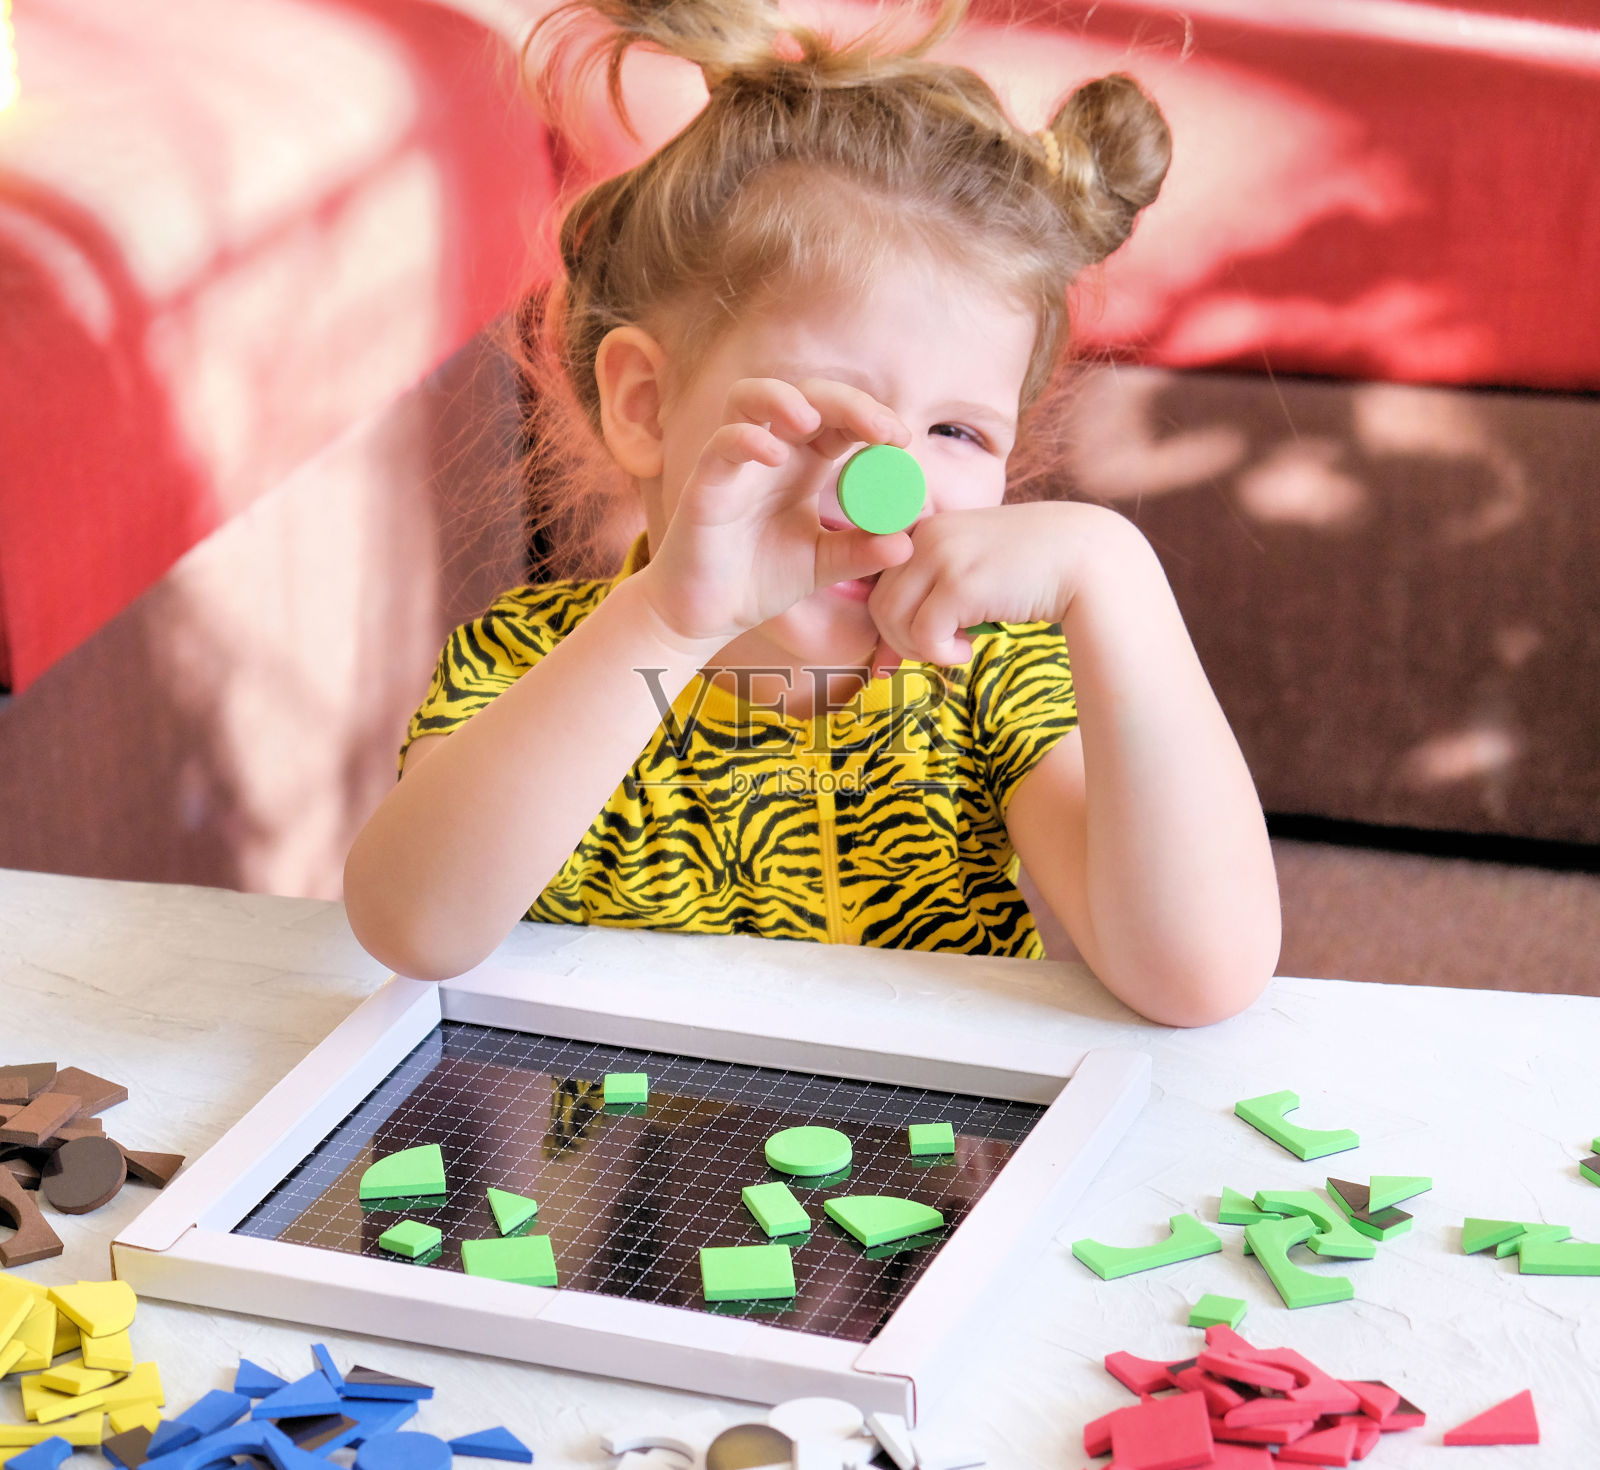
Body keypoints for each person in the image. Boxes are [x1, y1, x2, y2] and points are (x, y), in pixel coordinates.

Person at [343, 0, 1280, 1026]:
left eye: (957, 433)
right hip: (634, 1138)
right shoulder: (528, 665)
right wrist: (667, 626)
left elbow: (1198, 976)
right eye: (825, 413)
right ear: (647, 406)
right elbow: (414, 928)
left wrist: (1119, 580)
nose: (892, 484)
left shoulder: (985, 678)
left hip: (930, 1135)